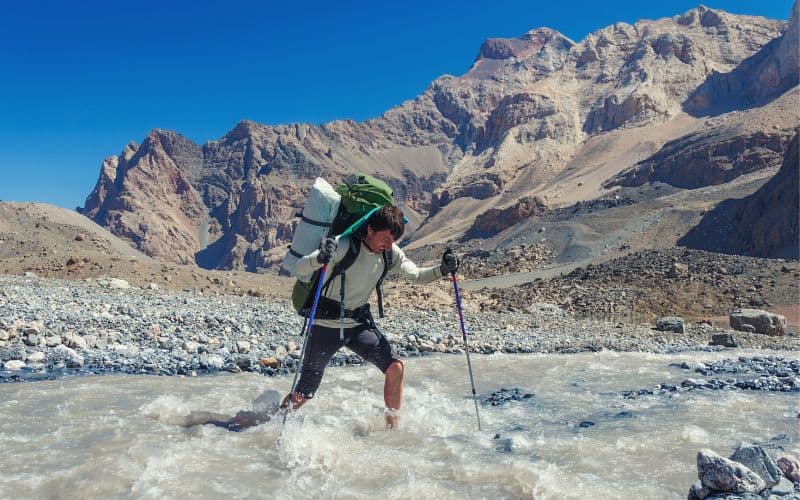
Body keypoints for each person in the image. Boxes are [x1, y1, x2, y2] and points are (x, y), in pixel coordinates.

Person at [281, 205, 459, 428]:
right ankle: (276, 422)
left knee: (395, 368)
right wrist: (320, 257)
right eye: (385, 238)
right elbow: (300, 268)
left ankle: (392, 430)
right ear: (370, 230)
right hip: (325, 324)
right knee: (305, 393)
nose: (388, 244)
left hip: (358, 325)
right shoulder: (342, 245)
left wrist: (442, 269)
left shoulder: (390, 253)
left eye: (393, 240)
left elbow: (417, 276)